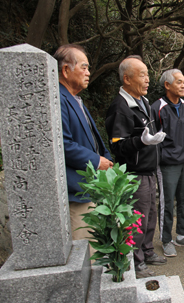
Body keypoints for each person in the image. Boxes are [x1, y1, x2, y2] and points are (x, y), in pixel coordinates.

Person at [105, 55, 168, 278]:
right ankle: (137, 262)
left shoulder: (142, 101)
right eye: (142, 75)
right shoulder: (120, 107)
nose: (148, 79)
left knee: (150, 215)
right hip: (134, 173)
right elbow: (118, 146)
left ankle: (148, 251)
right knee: (138, 218)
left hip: (150, 169)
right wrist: (141, 142)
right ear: (127, 78)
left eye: (148, 74)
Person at [54, 44, 113, 241]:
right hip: (77, 192)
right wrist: (97, 161)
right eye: (84, 67)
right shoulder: (59, 99)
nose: (88, 73)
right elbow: (63, 143)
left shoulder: (76, 99)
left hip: (92, 188)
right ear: (65, 70)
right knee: (87, 253)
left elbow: (94, 139)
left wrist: (107, 159)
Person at [151, 69, 184, 257]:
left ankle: (183, 235)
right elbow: (152, 139)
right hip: (167, 163)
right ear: (167, 85)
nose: (183, 85)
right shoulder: (157, 108)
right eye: (179, 82)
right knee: (167, 202)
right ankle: (165, 239)